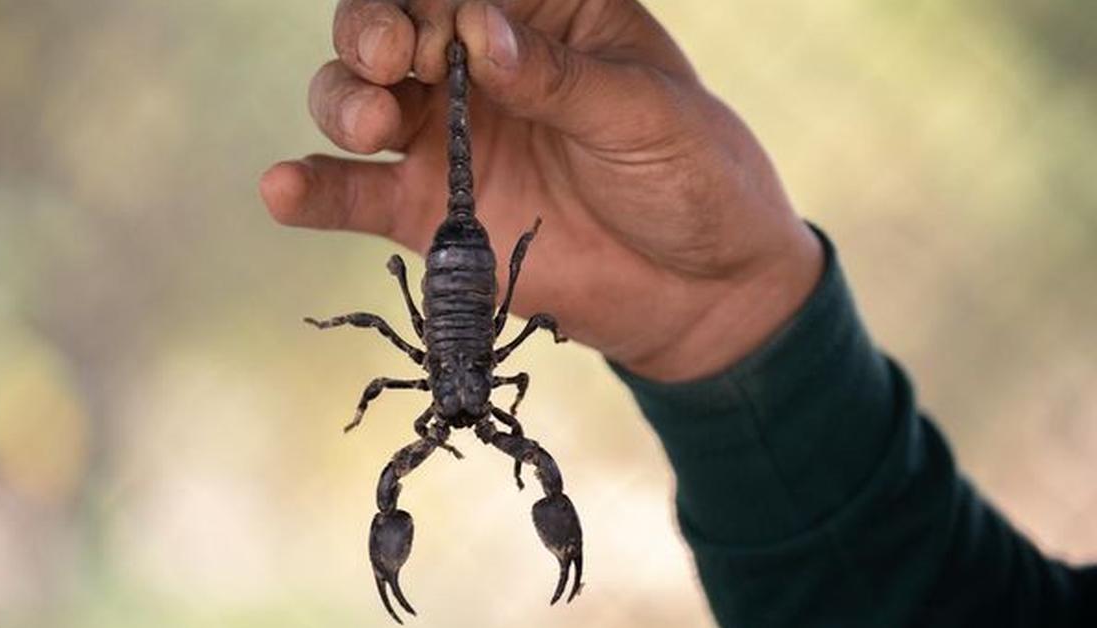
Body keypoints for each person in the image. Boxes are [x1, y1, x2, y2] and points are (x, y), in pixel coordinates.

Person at [258, 1, 1097, 625]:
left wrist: (727, 325)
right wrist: (731, 322)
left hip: (456, 280)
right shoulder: (493, 391)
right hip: (474, 283)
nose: (474, 423)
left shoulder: (445, 404)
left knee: (408, 447)